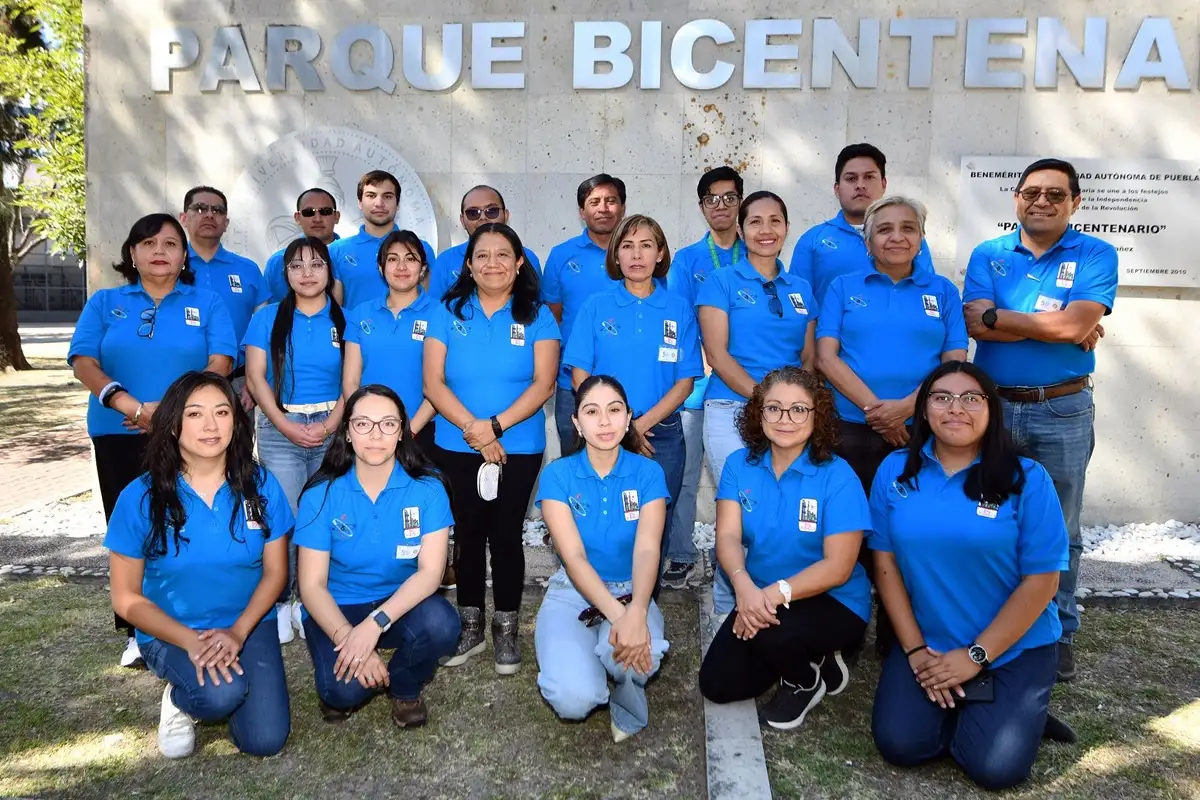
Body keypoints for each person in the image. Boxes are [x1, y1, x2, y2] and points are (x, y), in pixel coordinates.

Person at [868, 361, 1068, 790]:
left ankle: (1011, 702)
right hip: (931, 643)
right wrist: (917, 650)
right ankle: (990, 706)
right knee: (900, 744)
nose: (956, 408)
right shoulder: (895, 471)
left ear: (991, 410)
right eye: (941, 397)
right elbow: (884, 566)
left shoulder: (1028, 479)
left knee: (995, 769)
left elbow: (1042, 583)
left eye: (971, 398)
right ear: (923, 411)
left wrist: (975, 657)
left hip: (1012, 647)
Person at [962, 158, 1117, 683]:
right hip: (994, 408)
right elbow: (976, 327)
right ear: (1016, 200)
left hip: (1063, 407)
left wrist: (1009, 319)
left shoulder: (1096, 253)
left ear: (1075, 202)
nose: (1042, 201)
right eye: (1032, 192)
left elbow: (1078, 321)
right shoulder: (989, 254)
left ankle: (1058, 631)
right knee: (988, 515)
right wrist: (1059, 328)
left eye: (1055, 194)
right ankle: (990, 623)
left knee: (1062, 528)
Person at [69, 213, 236, 668]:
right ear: (131, 253)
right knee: (132, 528)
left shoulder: (208, 302)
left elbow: (221, 360)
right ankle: (136, 630)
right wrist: (131, 406)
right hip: (118, 432)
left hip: (189, 434)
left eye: (169, 243)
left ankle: (189, 617)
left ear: (184, 255)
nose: (158, 251)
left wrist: (170, 411)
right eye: (147, 243)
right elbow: (83, 360)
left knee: (184, 525)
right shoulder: (105, 302)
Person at [104, 371, 294, 759]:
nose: (210, 425)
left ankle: (226, 685)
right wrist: (191, 642)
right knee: (219, 694)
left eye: (222, 412)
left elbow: (276, 573)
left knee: (264, 741)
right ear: (173, 425)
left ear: (236, 421)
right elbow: (125, 599)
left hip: (248, 622)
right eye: (194, 414)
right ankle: (179, 697)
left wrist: (238, 633)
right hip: (174, 631)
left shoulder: (261, 485)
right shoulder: (139, 497)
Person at [697, 367, 871, 730]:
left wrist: (771, 596)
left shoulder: (837, 476)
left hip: (832, 600)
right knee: (717, 683)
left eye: (798, 409)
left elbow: (839, 567)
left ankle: (805, 681)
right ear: (758, 413)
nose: (785, 419)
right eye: (773, 408)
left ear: (817, 414)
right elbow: (727, 537)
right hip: (760, 593)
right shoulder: (738, 465)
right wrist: (744, 588)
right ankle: (809, 657)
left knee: (774, 632)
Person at [423, 222, 560, 674]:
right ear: (468, 264)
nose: (493, 264)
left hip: (518, 444)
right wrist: (473, 429)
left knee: (505, 536)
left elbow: (544, 383)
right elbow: (433, 383)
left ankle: (506, 628)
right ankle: (471, 626)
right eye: (482, 255)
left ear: (520, 263)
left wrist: (496, 426)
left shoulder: (538, 315)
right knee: (467, 534)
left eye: (504, 255)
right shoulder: (447, 312)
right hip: (456, 443)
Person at [295, 385, 460, 729]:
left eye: (387, 424)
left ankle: (404, 684)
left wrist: (374, 625)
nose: (375, 435)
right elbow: (311, 586)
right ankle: (355, 665)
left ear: (402, 432)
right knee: (341, 692)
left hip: (400, 603)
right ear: (347, 433)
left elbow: (431, 573)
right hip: (338, 605)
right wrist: (348, 637)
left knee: (443, 624)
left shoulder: (428, 489)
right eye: (363, 424)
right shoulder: (320, 493)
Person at [563, 215, 701, 586]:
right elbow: (579, 373)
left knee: (655, 523)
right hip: (604, 433)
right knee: (600, 518)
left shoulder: (678, 309)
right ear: (616, 255)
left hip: (662, 435)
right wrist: (613, 422)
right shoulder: (596, 305)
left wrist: (637, 426)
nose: (636, 254)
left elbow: (685, 382)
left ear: (660, 254)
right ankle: (596, 598)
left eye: (645, 245)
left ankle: (644, 605)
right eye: (627, 246)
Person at [697, 191, 817, 614]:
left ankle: (773, 603)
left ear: (786, 228)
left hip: (789, 417)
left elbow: (808, 358)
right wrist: (768, 402)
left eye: (775, 221)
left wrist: (790, 408)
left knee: (777, 515)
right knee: (741, 513)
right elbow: (718, 355)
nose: (766, 230)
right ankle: (729, 610)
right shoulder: (721, 282)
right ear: (742, 230)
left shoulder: (801, 288)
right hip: (732, 410)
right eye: (755, 222)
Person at [534, 376, 671, 742]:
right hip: (573, 593)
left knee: (646, 654)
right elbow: (574, 556)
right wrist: (619, 618)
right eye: (592, 412)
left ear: (629, 418)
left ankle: (623, 689)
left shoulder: (648, 473)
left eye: (614, 410)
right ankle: (591, 667)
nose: (605, 422)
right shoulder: (558, 476)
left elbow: (647, 549)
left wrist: (638, 611)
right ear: (576, 422)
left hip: (632, 589)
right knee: (572, 699)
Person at [816, 195, 968, 489]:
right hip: (849, 429)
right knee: (850, 523)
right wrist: (880, 413)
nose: (897, 237)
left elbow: (954, 362)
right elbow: (826, 358)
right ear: (868, 242)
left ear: (921, 239)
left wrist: (909, 406)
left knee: (910, 520)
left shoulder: (943, 291)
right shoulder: (842, 287)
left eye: (908, 228)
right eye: (885, 230)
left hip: (921, 428)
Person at [243, 236, 346, 643]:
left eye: (316, 265)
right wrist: (285, 424)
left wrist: (330, 424)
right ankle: (281, 601)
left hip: (333, 428)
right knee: (283, 516)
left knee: (321, 516)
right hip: (279, 427)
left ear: (329, 272)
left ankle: (312, 599)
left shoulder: (345, 319)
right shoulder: (266, 318)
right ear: (285, 274)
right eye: (297, 266)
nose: (307, 274)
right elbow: (255, 378)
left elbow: (351, 382)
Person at [662, 166, 744, 588]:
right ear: (701, 207)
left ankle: (747, 555)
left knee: (751, 473)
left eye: (730, 197)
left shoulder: (759, 254)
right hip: (698, 385)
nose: (721, 206)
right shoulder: (688, 260)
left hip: (746, 383)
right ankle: (679, 552)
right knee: (688, 473)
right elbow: (677, 321)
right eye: (712, 199)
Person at [543, 174, 626, 451]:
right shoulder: (561, 255)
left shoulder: (636, 255)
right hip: (572, 383)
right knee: (575, 465)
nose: (603, 208)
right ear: (582, 211)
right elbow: (553, 317)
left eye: (611, 201)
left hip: (628, 381)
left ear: (622, 208)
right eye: (595, 202)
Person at [788, 143, 934, 302]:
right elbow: (798, 306)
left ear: (884, 184)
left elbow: (928, 293)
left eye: (869, 177)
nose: (860, 185)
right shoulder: (812, 240)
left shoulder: (906, 240)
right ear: (837, 189)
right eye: (851, 178)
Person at [343, 230, 438, 454]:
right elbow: (350, 381)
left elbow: (441, 384)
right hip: (369, 434)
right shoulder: (361, 313)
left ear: (423, 268)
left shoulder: (440, 314)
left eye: (410, 259)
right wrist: (363, 426)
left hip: (423, 432)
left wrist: (409, 432)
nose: (402, 267)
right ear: (381, 268)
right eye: (393, 259)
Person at [180, 185, 271, 358]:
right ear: (183, 218)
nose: (209, 215)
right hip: (179, 375)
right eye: (200, 208)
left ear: (226, 223)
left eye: (217, 210)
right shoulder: (168, 268)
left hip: (237, 379)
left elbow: (263, 329)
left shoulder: (248, 269)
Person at [329, 170, 437, 309]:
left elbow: (430, 302)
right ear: (360, 202)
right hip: (355, 330)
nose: (379, 203)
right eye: (371, 196)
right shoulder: (337, 251)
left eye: (387, 196)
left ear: (398, 204)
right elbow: (334, 310)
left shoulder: (421, 248)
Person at [429, 185, 542, 300]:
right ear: (462, 221)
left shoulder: (528, 258)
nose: (483, 218)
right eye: (473, 213)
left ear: (506, 215)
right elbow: (435, 310)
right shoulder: (445, 261)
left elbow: (536, 306)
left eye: (491, 211)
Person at [265, 188, 343, 303]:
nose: (317, 219)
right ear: (297, 218)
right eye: (309, 212)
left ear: (336, 216)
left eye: (325, 211)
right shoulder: (278, 261)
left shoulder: (351, 257)